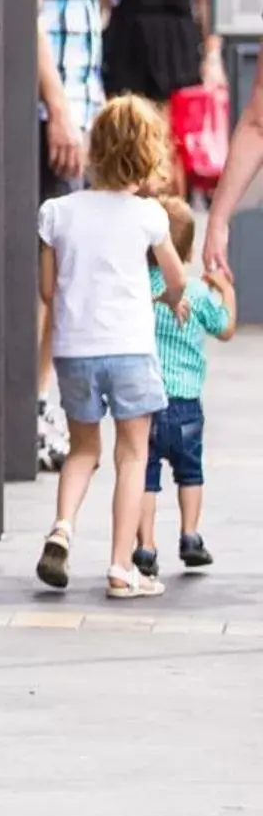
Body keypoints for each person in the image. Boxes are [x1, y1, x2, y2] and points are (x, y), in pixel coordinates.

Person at [33, 97, 184, 600]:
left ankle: (61, 528)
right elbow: (176, 276)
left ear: (95, 150)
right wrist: (171, 298)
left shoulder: (57, 213)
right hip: (130, 350)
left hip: (74, 350)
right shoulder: (149, 217)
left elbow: (49, 293)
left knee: (82, 450)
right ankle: (122, 568)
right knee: (132, 455)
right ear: (147, 156)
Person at [35, 0, 114, 472]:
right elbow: (31, 13)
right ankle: (35, 406)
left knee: (65, 271)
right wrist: (59, 111)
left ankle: (40, 400)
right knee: (50, 272)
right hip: (47, 114)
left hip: (79, 111)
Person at [134, 196, 232, 580]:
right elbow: (225, 327)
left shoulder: (138, 288)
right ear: (189, 250)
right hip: (188, 405)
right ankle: (190, 535)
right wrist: (225, 288)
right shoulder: (196, 291)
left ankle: (145, 545)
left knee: (145, 475)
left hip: (145, 402)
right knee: (190, 473)